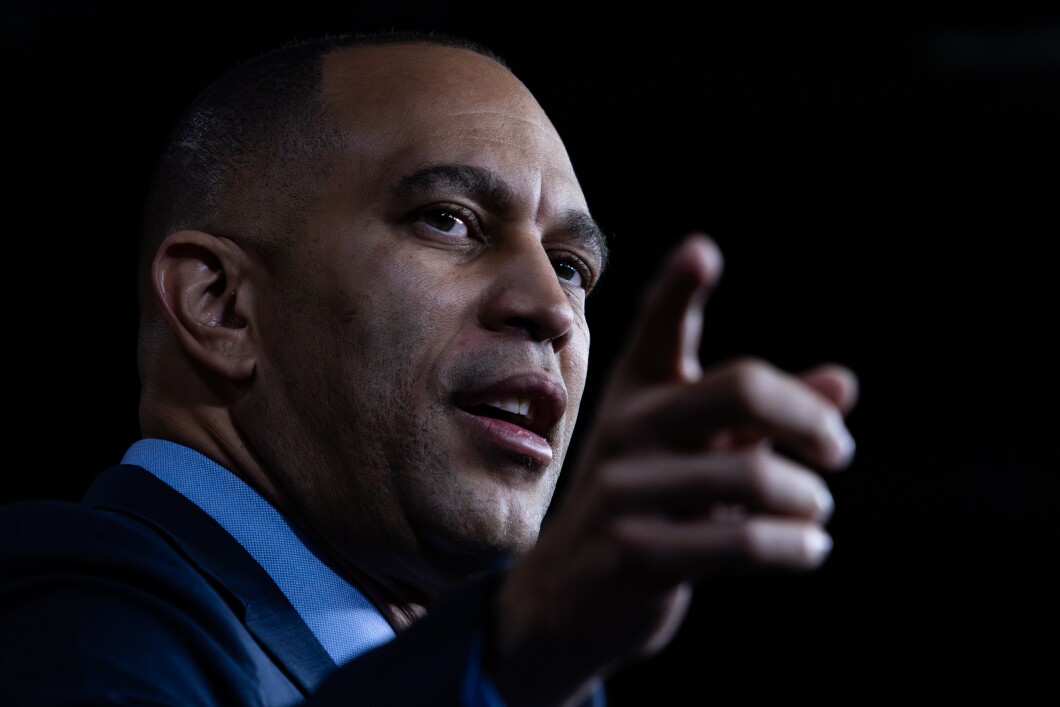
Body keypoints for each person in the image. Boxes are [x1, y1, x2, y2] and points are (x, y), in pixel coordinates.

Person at [0, 30, 858, 706]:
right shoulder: (61, 614)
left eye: (571, 265)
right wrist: (523, 637)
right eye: (449, 220)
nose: (552, 309)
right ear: (221, 304)